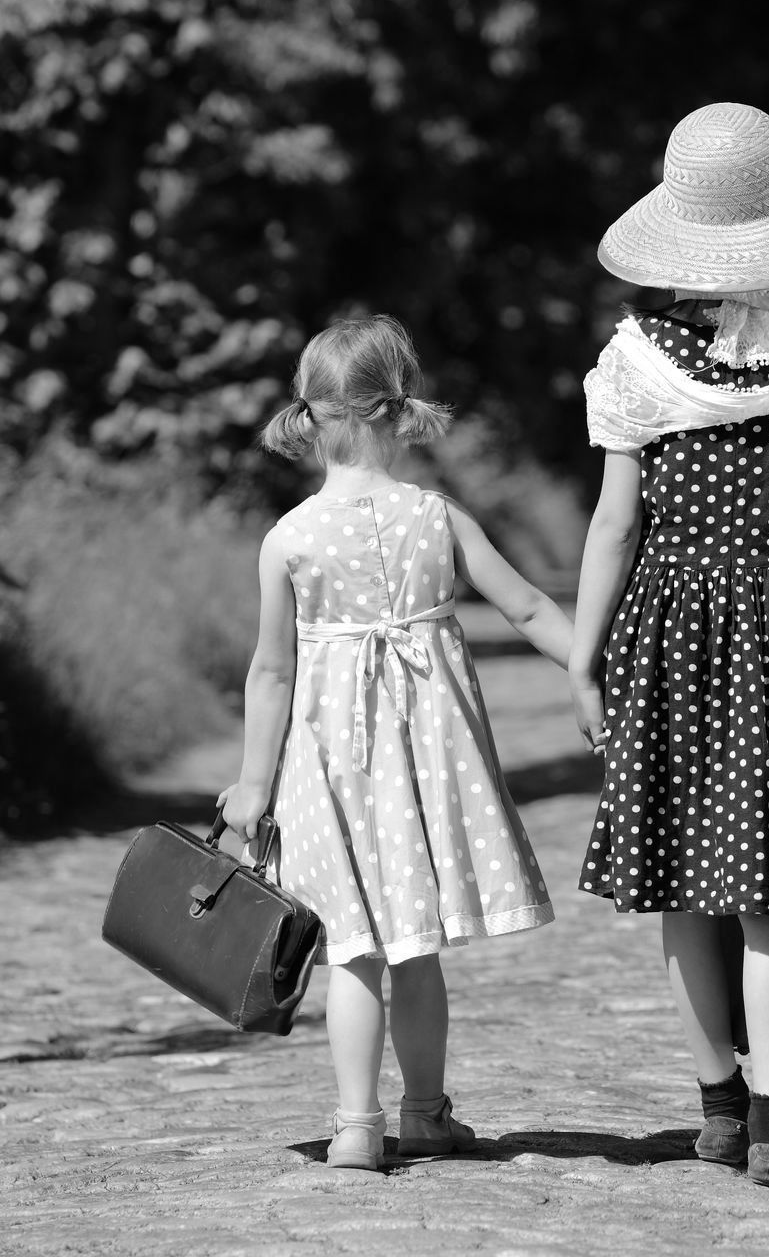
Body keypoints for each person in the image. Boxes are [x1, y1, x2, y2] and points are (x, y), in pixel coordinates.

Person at [568, 102, 769, 1192]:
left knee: (682, 877)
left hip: (667, 635)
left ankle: (717, 1106)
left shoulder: (637, 365)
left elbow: (614, 525)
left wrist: (580, 651)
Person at [219, 314, 574, 1174]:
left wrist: (251, 788)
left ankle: (354, 1127)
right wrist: (595, 676)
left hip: (325, 767)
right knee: (414, 943)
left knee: (352, 946)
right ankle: (424, 1113)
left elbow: (271, 673)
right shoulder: (436, 516)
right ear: (400, 409)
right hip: (429, 762)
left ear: (310, 417)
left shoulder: (290, 538)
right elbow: (526, 608)